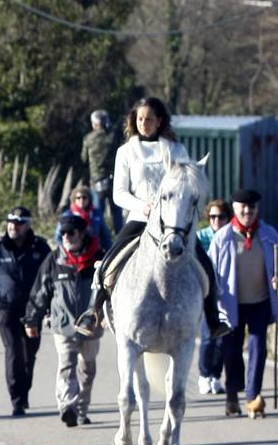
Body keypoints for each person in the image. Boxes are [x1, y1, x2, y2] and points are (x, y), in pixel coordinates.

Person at [74, 97, 229, 339]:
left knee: (204, 263)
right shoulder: (125, 151)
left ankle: (213, 318)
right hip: (139, 218)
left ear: (159, 121)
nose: (144, 123)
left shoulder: (177, 149)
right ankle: (93, 310)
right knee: (108, 262)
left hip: (173, 223)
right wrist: (143, 206)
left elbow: (187, 185)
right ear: (134, 121)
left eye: (149, 119)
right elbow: (119, 194)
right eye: (140, 119)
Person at [210, 188, 278, 417]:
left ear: (257, 209)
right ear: (235, 208)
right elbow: (212, 270)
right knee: (231, 351)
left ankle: (253, 396)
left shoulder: (268, 234)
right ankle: (232, 394)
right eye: (243, 207)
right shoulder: (223, 237)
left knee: (258, 349)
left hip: (260, 302)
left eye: (252, 207)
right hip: (231, 304)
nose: (248, 211)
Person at [25, 213, 104, 427]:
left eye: (71, 232)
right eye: (63, 233)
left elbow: (110, 292)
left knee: (88, 370)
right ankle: (67, 406)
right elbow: (41, 291)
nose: (66, 236)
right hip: (63, 324)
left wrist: (108, 316)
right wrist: (32, 319)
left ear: (82, 233)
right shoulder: (55, 260)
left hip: (90, 325)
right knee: (67, 365)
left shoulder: (99, 258)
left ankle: (81, 410)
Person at [0, 206, 51, 416]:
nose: (12, 227)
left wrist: (51, 310)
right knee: (14, 351)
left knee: (29, 355)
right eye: (10, 223)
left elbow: (51, 279)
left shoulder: (41, 248)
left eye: (17, 223)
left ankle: (24, 393)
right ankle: (16, 400)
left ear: (27, 225)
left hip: (33, 310)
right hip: (5, 308)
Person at [196, 199, 230, 395]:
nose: (217, 221)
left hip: (228, 292)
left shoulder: (230, 237)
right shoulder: (201, 237)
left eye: (221, 217)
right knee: (208, 335)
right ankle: (204, 374)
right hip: (208, 292)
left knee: (222, 338)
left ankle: (216, 376)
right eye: (213, 217)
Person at [81, 109, 119, 229]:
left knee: (98, 215)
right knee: (117, 214)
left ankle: (99, 242)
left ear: (93, 124)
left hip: (96, 181)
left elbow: (84, 159)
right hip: (114, 181)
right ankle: (122, 242)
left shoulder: (88, 138)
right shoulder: (113, 137)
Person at [55, 185, 113, 251]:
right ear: (74, 199)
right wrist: (66, 250)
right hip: (72, 251)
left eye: (84, 197)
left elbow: (105, 236)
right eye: (78, 198)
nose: (81, 200)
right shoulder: (67, 215)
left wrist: (110, 251)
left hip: (94, 250)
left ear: (89, 199)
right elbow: (58, 236)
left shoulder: (96, 214)